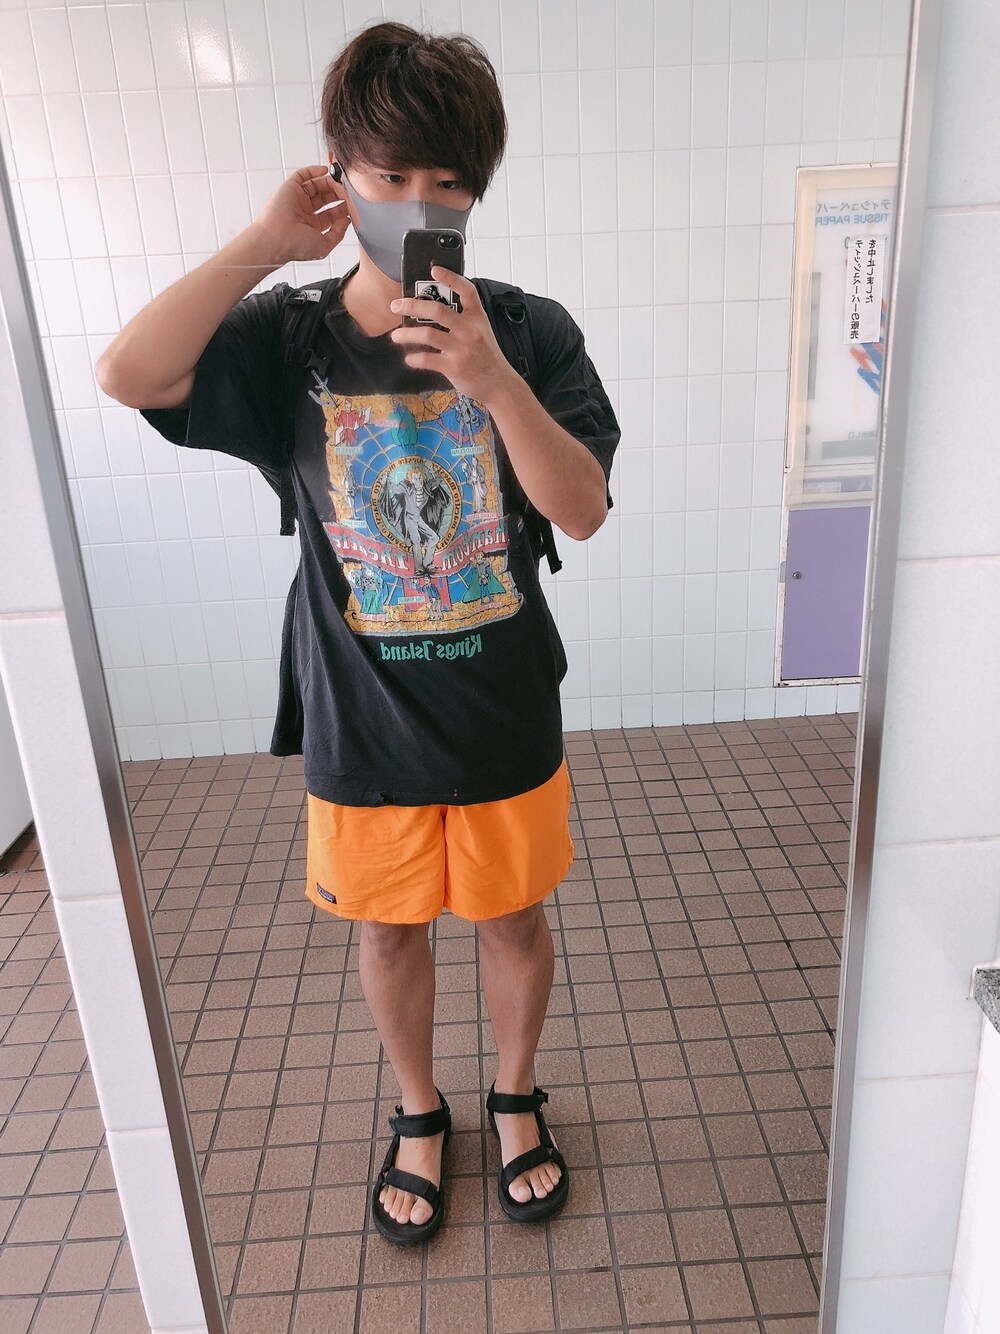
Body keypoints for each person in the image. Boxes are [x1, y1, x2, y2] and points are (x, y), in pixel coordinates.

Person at [96, 21, 620, 1246]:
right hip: (359, 712)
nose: (418, 202)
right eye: (389, 174)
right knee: (387, 927)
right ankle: (419, 1108)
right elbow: (129, 372)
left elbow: (582, 509)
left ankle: (513, 1094)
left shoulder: (529, 333)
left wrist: (493, 382)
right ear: (341, 173)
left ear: (476, 192)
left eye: (448, 181)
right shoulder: (288, 340)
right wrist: (264, 244)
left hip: (500, 707)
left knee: (513, 917)